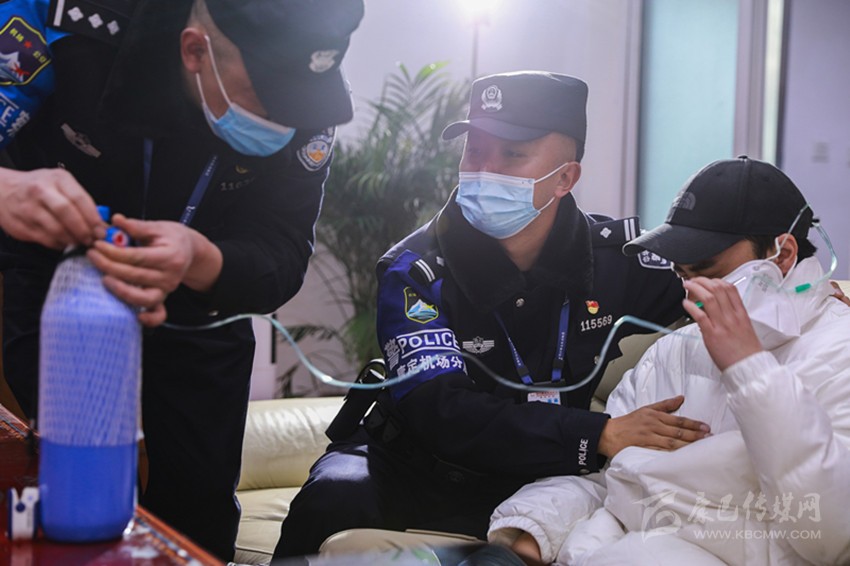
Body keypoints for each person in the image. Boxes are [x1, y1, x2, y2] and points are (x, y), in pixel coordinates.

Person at [273, 71, 712, 560]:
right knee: (333, 497)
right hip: (411, 465)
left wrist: (777, 271)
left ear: (565, 178)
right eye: (475, 151)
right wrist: (599, 435)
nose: (485, 169)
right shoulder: (416, 269)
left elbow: (724, 285)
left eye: (512, 154)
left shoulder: (618, 260)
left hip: (543, 476)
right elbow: (442, 412)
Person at [0, 0, 363, 560]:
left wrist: (202, 259)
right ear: (195, 50)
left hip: (200, 309)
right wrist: (6, 189)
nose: (289, 117)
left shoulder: (309, 95)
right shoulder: (59, 20)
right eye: (266, 94)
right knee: (69, 492)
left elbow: (284, 249)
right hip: (61, 292)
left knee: (198, 513)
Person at [489, 157, 850, 565]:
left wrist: (750, 369)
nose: (691, 294)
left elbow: (832, 535)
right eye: (682, 274)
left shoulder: (838, 351)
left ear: (782, 255)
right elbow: (611, 480)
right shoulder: (673, 352)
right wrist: (532, 527)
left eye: (707, 270)